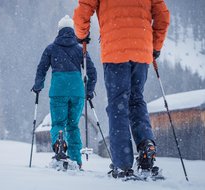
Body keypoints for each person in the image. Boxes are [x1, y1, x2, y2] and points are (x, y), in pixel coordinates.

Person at [73, 0, 170, 177]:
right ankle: (146, 145)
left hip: (115, 51)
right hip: (141, 50)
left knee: (118, 105)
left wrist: (81, 34)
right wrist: (155, 47)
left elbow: (84, 8)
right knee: (136, 100)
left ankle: (123, 164)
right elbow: (163, 16)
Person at [32, 15, 97, 168]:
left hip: (58, 89)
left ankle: (59, 145)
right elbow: (92, 71)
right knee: (73, 126)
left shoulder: (51, 48)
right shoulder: (80, 49)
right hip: (77, 91)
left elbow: (42, 68)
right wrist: (89, 90)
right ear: (72, 31)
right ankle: (76, 160)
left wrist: (38, 85)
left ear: (59, 31)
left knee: (58, 123)